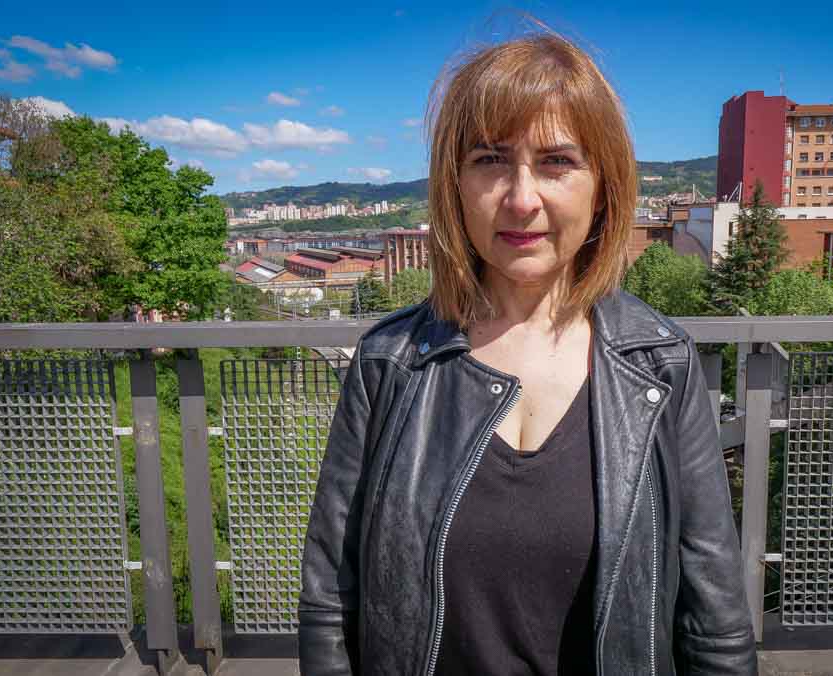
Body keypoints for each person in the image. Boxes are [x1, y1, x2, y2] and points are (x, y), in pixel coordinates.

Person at [299, 28, 757, 676]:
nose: (520, 198)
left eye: (556, 161)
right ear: (455, 185)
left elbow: (714, 619)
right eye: (490, 159)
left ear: (603, 187)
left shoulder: (660, 365)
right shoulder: (389, 364)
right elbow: (330, 599)